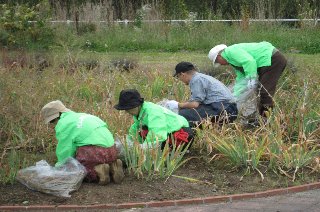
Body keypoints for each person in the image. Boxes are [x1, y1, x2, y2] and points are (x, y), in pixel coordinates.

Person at [40, 100, 124, 185]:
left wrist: (60, 167)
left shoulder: (63, 124)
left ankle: (98, 170)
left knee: (79, 169)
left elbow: (65, 149)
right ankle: (113, 165)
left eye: (51, 122)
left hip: (95, 153)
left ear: (56, 117)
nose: (53, 124)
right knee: (84, 146)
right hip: (112, 150)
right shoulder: (84, 115)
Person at [208, 41, 287, 117]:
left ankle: (266, 119)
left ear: (219, 56)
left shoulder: (231, 51)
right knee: (259, 91)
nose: (221, 64)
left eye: (218, 62)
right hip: (267, 62)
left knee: (264, 91)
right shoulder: (233, 61)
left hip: (272, 59)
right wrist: (234, 95)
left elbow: (249, 61)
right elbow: (241, 79)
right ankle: (256, 117)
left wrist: (251, 78)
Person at [114, 89, 194, 150]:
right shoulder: (140, 112)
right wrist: (126, 143)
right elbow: (134, 131)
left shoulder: (153, 112)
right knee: (142, 132)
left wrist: (141, 149)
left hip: (182, 133)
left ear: (137, 105)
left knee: (155, 145)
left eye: (128, 108)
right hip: (167, 133)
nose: (127, 111)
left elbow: (157, 135)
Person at [169, 61, 238, 128]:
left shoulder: (196, 80)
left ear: (182, 74)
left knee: (182, 114)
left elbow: (194, 104)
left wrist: (177, 104)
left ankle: (190, 135)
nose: (180, 80)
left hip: (222, 108)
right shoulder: (201, 77)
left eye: (178, 76)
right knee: (191, 112)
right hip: (230, 109)